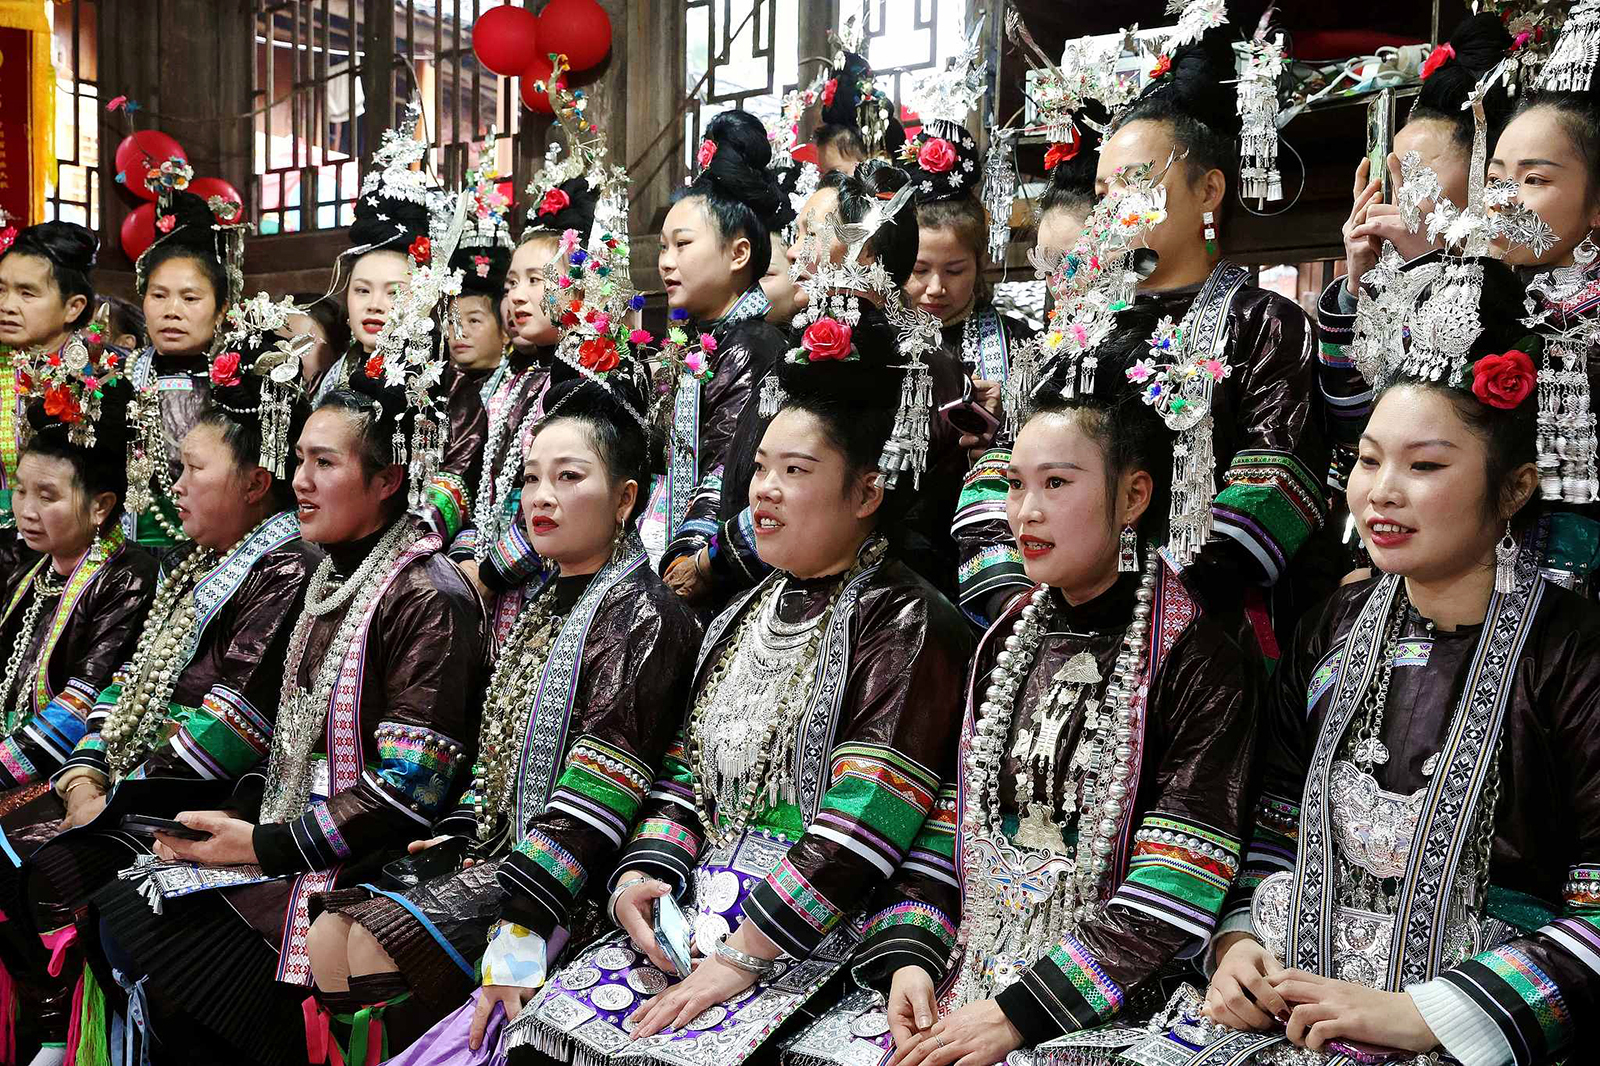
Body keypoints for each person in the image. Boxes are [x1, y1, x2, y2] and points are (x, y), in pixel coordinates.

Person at [503, 286, 974, 1066]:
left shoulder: (907, 623)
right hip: (699, 910)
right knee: (544, 1040)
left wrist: (740, 959)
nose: (762, 491)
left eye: (795, 470)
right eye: (759, 467)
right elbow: (684, 775)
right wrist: (643, 877)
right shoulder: (740, 613)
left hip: (823, 927)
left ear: (867, 491)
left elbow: (862, 828)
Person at [1169, 255, 1600, 1066]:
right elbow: (1273, 815)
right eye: (1369, 460)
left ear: (1515, 490)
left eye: (1426, 466)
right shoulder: (1333, 622)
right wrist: (1236, 948)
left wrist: (1429, 1014)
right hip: (1293, 1002)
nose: (1381, 493)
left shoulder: (1572, 652)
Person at [786, 370, 1259, 1066]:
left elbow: (1179, 878)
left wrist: (1017, 1016)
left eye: (1057, 484)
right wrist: (914, 956)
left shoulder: (1199, 658)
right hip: (967, 971)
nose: (1025, 512)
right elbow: (952, 823)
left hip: (1111, 997)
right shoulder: (1006, 635)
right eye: (1014, 484)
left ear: (1133, 496)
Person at [86, 360, 488, 1066]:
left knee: (162, 943)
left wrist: (261, 844)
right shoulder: (331, 571)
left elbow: (407, 790)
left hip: (365, 861)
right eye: (299, 458)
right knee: (121, 902)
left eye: (324, 463)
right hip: (295, 834)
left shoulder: (427, 595)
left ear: (389, 479)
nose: (299, 481)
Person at [303, 360, 703, 1062]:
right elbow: (498, 753)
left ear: (625, 499)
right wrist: (460, 826)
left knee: (362, 947)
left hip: (569, 883)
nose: (541, 497)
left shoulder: (643, 615)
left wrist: (520, 932)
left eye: (569, 477)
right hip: (502, 851)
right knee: (327, 938)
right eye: (529, 479)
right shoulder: (547, 601)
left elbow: (599, 795)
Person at [0, 298, 318, 1065]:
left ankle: (64, 1030)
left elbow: (235, 721)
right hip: (134, 783)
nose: (173, 489)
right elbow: (130, 679)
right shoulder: (202, 561)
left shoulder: (283, 568)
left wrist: (117, 786)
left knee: (55, 863)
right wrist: (85, 768)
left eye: (191, 470)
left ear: (254, 480)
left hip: (198, 795)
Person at [971, 28, 1332, 655]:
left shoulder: (1264, 323)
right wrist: (1013, 587)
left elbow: (1277, 483)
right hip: (1055, 622)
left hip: (1204, 632)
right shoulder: (1075, 332)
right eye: (1105, 191)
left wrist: (1148, 602)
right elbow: (1000, 472)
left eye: (1136, 183)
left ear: (1209, 192)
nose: (1112, 207)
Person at [683, 162, 969, 608]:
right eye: (796, 235)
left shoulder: (911, 363)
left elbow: (886, 503)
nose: (794, 252)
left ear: (867, 250)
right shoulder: (800, 346)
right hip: (776, 586)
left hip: (874, 601)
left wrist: (712, 563)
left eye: (810, 234)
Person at [0, 327, 158, 1062]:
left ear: (100, 507)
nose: (25, 508)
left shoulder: (124, 574)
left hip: (75, 767)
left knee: (19, 855)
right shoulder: (30, 570)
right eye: (18, 490)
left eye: (47, 495)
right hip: (17, 762)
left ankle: (53, 1022)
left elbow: (82, 700)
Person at [1318, 14, 1514, 504]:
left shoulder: (1522, 285)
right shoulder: (1393, 275)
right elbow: (1348, 418)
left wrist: (1425, 265)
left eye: (1417, 174)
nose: (1396, 194)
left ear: (1483, 180)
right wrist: (1358, 282)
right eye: (1392, 176)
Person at [316, 103, 488, 545]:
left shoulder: (454, 389)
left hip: (408, 556)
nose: (375, 305)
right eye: (362, 290)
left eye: (395, 293)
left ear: (425, 298)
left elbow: (452, 487)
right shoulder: (328, 378)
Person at [456, 107, 607, 605]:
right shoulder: (509, 377)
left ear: (578, 284)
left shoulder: (591, 375)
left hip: (544, 581)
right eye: (511, 284)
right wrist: (465, 561)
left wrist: (493, 570)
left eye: (536, 282)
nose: (517, 297)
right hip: (482, 578)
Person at [650, 109, 791, 591]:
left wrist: (693, 555)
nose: (667, 262)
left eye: (682, 245)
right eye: (663, 247)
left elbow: (727, 468)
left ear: (739, 253)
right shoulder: (697, 344)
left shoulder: (754, 343)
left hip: (717, 562)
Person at [124, 163, 246, 550]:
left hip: (223, 546)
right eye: (158, 295)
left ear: (222, 308)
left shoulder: (245, 387)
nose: (171, 310)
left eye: (190, 298)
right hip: (134, 550)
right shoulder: (122, 379)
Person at [0, 222, 101, 543]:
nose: (7, 305)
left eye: (27, 293)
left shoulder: (104, 378)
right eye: (1, 289)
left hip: (72, 551)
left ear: (74, 307)